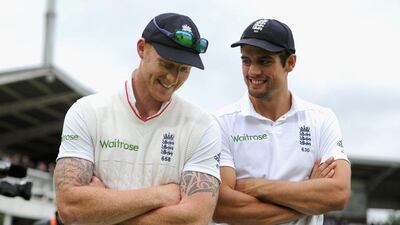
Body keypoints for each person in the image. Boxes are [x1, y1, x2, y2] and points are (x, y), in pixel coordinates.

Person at [54, 13, 221, 225]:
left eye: (184, 69)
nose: (173, 78)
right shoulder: (87, 111)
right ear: (141, 48)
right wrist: (161, 195)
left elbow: (194, 219)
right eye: (167, 64)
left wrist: (103, 213)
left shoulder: (203, 126)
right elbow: (70, 207)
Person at [212, 19, 351, 225]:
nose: (253, 71)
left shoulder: (321, 119)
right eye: (246, 61)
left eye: (264, 61)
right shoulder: (220, 122)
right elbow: (221, 207)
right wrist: (308, 193)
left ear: (290, 63)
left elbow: (338, 194)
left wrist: (256, 186)